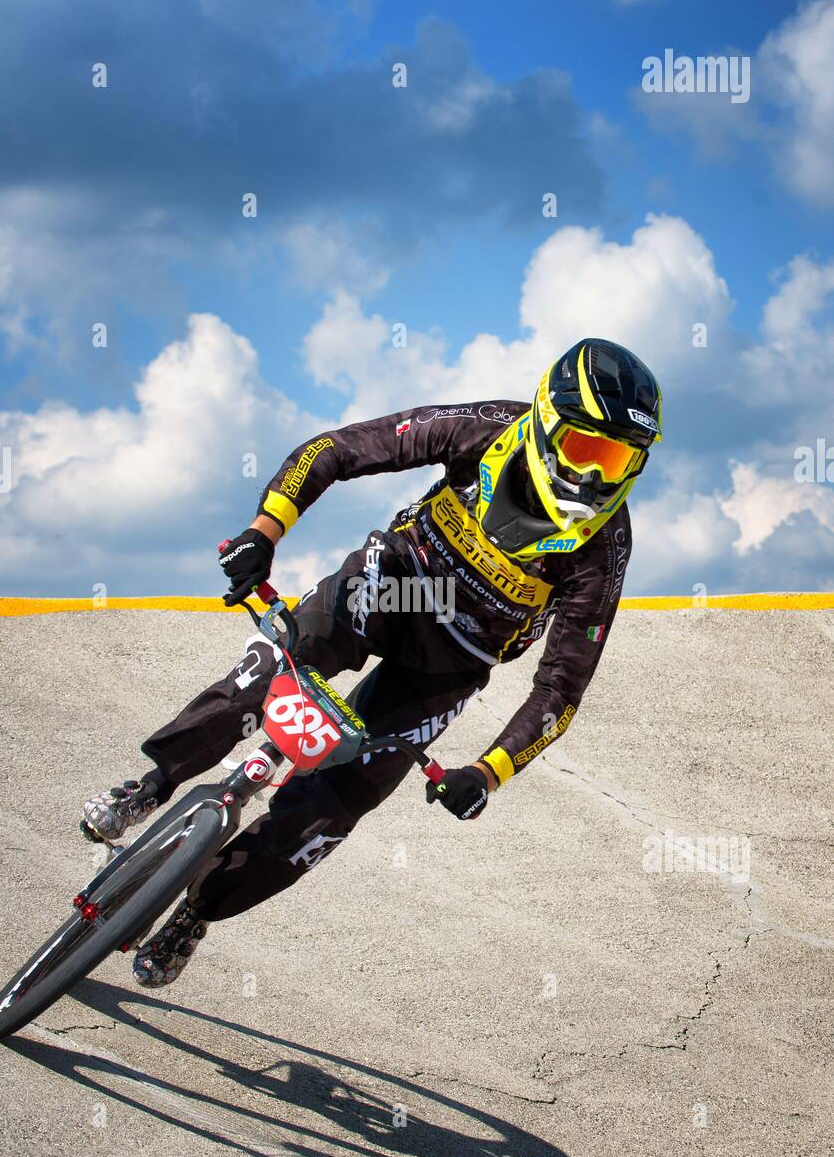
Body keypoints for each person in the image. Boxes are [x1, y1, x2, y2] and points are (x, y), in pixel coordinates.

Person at [82, 337, 662, 986]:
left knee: (334, 808)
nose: (595, 475)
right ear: (550, 423)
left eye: (617, 459)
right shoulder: (484, 431)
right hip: (390, 585)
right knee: (270, 668)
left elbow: (559, 690)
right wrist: (262, 534)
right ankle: (151, 786)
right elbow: (335, 451)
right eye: (588, 448)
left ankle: (199, 910)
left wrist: (486, 773)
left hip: (448, 667)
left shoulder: (602, 548)